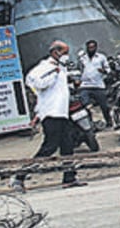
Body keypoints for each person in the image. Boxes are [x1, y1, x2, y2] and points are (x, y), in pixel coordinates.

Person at [23, 41, 82, 187]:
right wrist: (53, 74)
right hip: (51, 114)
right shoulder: (46, 68)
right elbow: (37, 84)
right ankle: (20, 175)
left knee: (67, 146)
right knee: (49, 147)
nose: (66, 56)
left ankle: (69, 177)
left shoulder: (60, 69)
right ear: (55, 52)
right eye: (64, 52)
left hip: (61, 113)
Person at [76, 39, 112, 129]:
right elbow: (78, 70)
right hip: (85, 85)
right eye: (89, 47)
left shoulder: (101, 57)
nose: (91, 49)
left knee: (104, 106)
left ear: (96, 48)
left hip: (98, 85)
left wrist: (103, 71)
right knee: (85, 105)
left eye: (93, 47)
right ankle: (89, 124)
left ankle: (109, 121)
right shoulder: (82, 58)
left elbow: (108, 69)